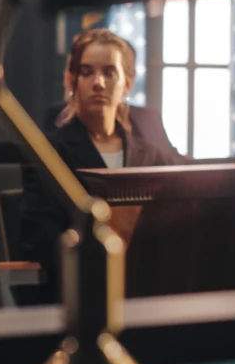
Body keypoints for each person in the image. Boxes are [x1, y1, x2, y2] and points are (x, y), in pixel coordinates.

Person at [18, 29, 174, 295]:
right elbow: (41, 240)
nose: (98, 83)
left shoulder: (151, 155)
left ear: (127, 83)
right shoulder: (47, 153)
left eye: (109, 72)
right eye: (87, 72)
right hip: (79, 289)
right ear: (71, 80)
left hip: (146, 287)